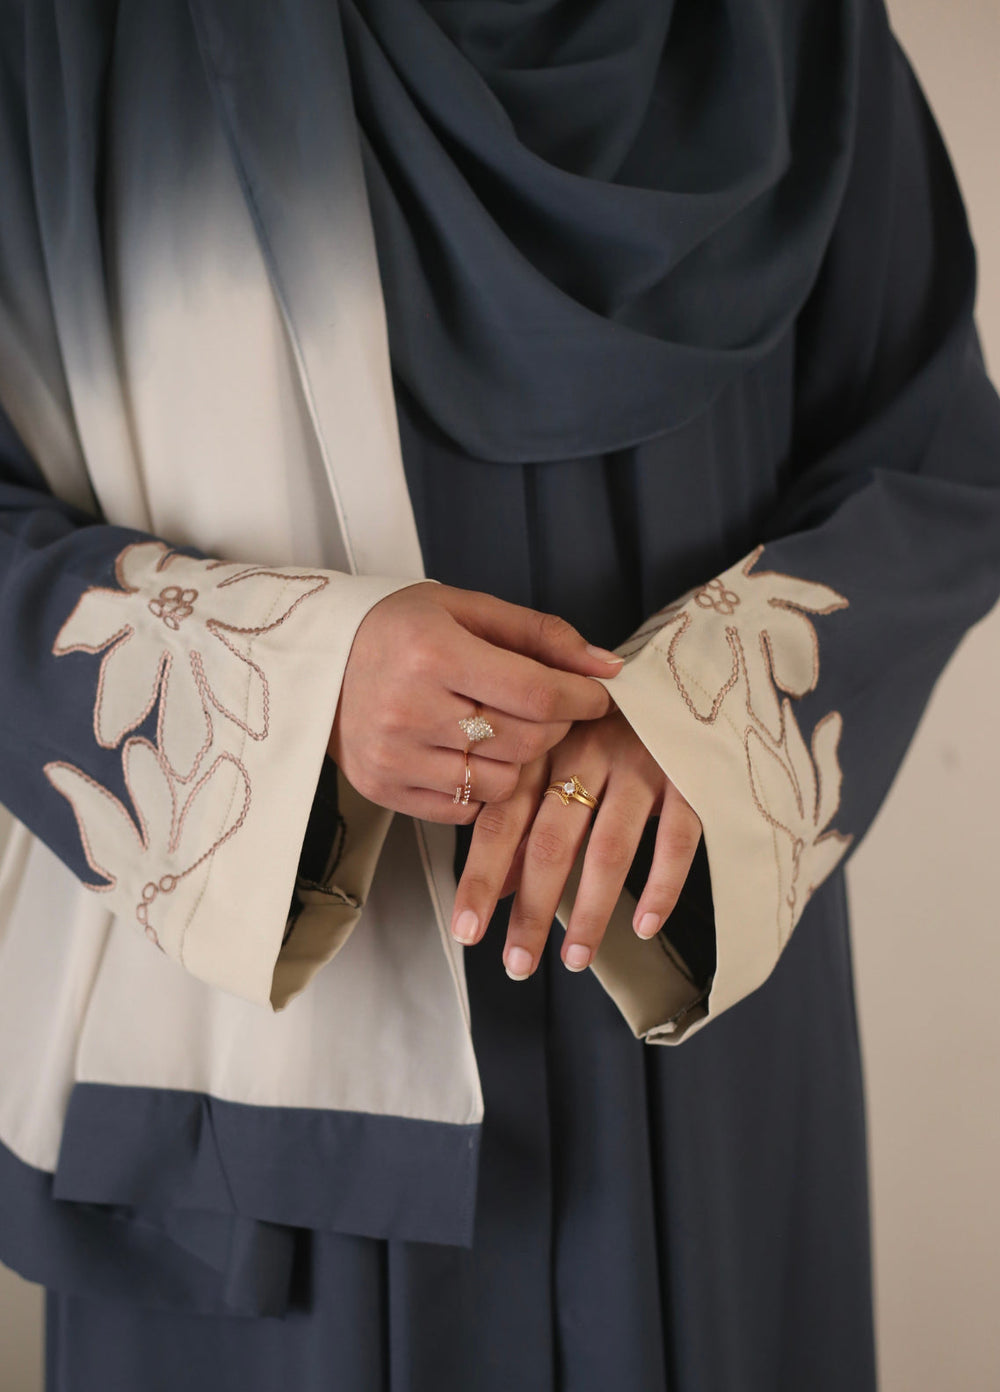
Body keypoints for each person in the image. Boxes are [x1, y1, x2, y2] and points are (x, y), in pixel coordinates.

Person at [1, 0, 999, 1388]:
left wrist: (703, 719)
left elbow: (932, 451)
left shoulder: (793, 32)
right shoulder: (77, 34)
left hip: (679, 982)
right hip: (284, 1107)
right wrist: (297, 679)